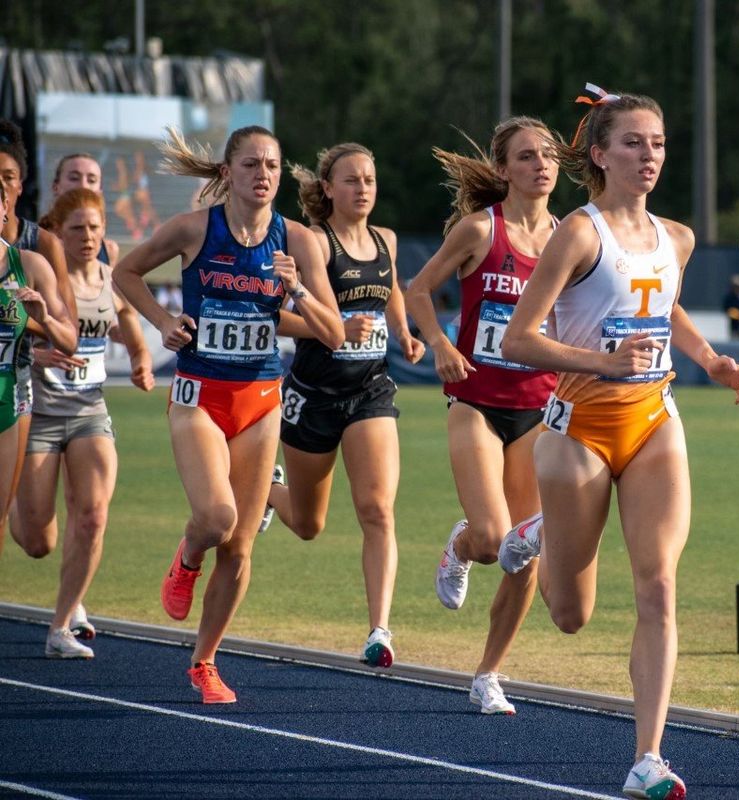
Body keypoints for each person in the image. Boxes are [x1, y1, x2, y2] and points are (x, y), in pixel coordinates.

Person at [496, 86, 739, 799]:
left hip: (652, 421)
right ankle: (539, 530)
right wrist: (601, 362)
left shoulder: (677, 237)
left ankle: (648, 758)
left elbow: (663, 305)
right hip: (577, 427)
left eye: (660, 144)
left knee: (659, 585)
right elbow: (521, 338)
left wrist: (710, 360)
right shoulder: (577, 234)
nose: (650, 157)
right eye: (635, 143)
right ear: (600, 155)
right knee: (570, 614)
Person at [113, 125, 344, 703]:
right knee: (216, 520)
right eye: (250, 165)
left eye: (271, 165)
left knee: (240, 547)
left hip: (261, 402)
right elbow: (126, 272)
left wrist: (301, 294)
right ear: (227, 173)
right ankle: (187, 556)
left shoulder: (301, 243)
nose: (263, 175)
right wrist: (162, 323)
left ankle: (205, 661)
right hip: (199, 394)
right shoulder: (196, 229)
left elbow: (334, 333)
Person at [406, 117, 560, 714]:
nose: (540, 166)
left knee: (525, 552)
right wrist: (442, 345)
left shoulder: (572, 237)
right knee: (496, 540)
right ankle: (462, 544)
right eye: (526, 157)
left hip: (538, 411)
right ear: (503, 170)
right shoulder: (479, 230)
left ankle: (488, 673)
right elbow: (418, 289)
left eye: (548, 156)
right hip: (475, 400)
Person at [261, 143, 424, 667]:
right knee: (309, 525)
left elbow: (391, 287)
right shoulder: (315, 245)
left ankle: (380, 630)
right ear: (328, 188)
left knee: (378, 509)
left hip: (370, 389)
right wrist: (324, 326)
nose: (363, 189)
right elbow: (273, 316)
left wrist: (402, 331)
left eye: (370, 180)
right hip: (312, 395)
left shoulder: (386, 240)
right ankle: (268, 490)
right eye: (351, 180)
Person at [10, 188, 154, 659]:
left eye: (94, 228)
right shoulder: (44, 275)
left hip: (89, 409)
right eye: (77, 229)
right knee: (37, 541)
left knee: (92, 515)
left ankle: (61, 627)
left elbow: (127, 319)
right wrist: (40, 348)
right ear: (58, 232)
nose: (88, 237)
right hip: (40, 412)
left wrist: (140, 359)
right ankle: (11, 494)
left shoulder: (109, 278)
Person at [0, 121, 79, 564]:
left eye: (8, 178)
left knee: (38, 540)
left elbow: (66, 330)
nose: (3, 188)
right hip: (26, 372)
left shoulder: (37, 251)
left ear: (18, 185)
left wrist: (37, 322)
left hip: (20, 385)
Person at [41, 153, 122, 265]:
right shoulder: (34, 241)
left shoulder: (109, 250)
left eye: (92, 180)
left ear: (100, 191)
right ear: (56, 186)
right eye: (74, 178)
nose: (83, 185)